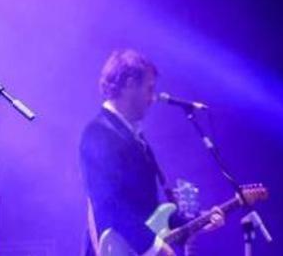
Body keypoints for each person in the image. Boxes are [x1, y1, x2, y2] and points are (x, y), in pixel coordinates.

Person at [79, 49, 221, 256]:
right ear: (128, 84)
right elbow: (109, 204)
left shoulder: (134, 136)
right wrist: (153, 247)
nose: (152, 98)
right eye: (149, 89)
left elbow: (149, 211)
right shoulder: (98, 133)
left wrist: (197, 221)